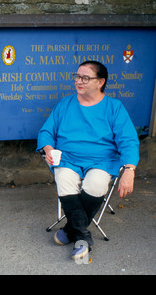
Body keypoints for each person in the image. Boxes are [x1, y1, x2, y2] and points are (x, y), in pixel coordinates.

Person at [37, 61, 139, 261]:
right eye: (77, 76)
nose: (78, 81)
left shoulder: (114, 107)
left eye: (85, 78)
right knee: (64, 179)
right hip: (67, 159)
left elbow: (128, 140)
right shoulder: (65, 104)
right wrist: (48, 148)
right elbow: (47, 131)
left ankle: (70, 230)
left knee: (97, 183)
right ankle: (82, 238)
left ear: (100, 82)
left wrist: (129, 169)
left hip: (102, 160)